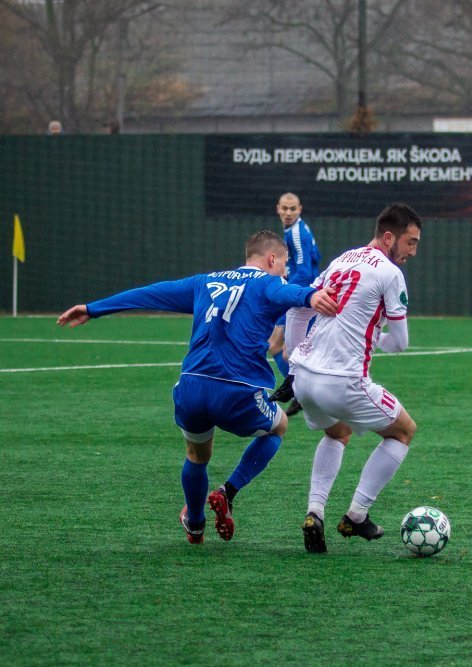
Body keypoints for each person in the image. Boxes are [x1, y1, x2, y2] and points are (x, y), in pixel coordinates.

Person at [57, 231, 339, 543]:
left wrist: (93, 308)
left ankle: (195, 523)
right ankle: (228, 491)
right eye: (284, 263)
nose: (285, 271)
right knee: (279, 427)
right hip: (237, 390)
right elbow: (290, 294)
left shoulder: (204, 281)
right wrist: (311, 296)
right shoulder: (268, 283)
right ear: (272, 259)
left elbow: (151, 293)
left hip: (192, 386)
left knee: (197, 455)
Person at [283, 203, 421, 553]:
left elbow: (298, 308)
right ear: (388, 237)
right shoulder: (390, 272)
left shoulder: (341, 260)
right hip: (342, 381)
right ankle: (357, 514)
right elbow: (400, 343)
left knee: (337, 431)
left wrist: (292, 363)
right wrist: (374, 336)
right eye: (410, 242)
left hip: (304, 378)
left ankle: (315, 512)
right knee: (404, 431)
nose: (412, 251)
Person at [268, 192, 322, 408]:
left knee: (277, 346)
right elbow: (315, 257)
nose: (288, 212)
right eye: (285, 208)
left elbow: (305, 271)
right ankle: (300, 393)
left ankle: (301, 393)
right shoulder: (296, 230)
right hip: (302, 295)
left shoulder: (297, 233)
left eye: (292, 209)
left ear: (300, 209)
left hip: (300, 297)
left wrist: (284, 291)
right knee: (283, 350)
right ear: (278, 209)